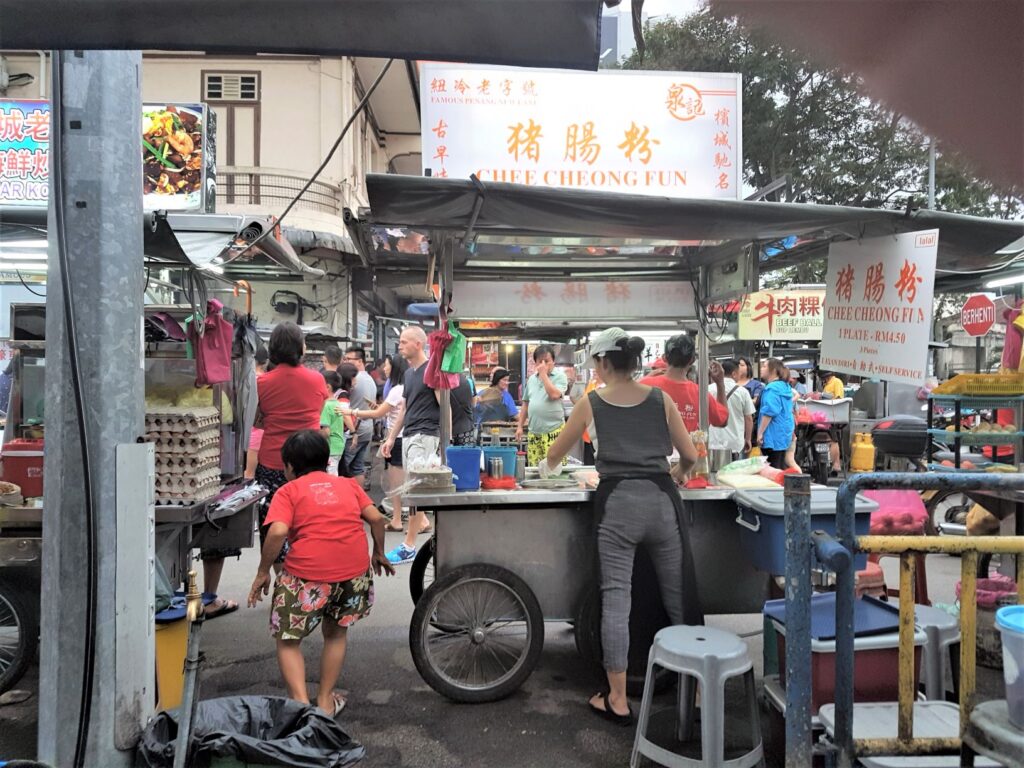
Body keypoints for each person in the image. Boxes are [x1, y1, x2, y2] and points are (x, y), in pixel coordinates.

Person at [541, 328, 700, 724]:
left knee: (616, 601)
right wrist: (677, 474)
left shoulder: (591, 401)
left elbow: (554, 457)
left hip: (618, 507)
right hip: (662, 501)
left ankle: (617, 698)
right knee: (678, 595)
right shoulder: (661, 399)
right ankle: (695, 694)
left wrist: (546, 470)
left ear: (603, 363)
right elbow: (691, 455)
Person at [247, 430, 394, 715]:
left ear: (288, 467)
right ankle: (325, 700)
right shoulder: (348, 485)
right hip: (354, 573)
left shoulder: (287, 491)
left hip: (306, 576)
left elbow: (277, 531)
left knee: (288, 640)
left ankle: (302, 707)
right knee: (336, 635)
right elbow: (376, 518)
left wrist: (263, 571)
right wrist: (378, 552)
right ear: (326, 460)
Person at [255, 322, 330, 562]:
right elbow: (317, 414)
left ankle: (282, 582)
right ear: (301, 347)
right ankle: (306, 577)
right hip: (311, 461)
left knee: (274, 522)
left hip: (273, 461)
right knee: (309, 522)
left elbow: (258, 421)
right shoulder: (317, 380)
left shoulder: (262, 383)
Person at [381, 326, 442, 564]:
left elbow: (442, 404)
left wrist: (445, 441)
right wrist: (390, 438)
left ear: (418, 344)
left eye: (404, 342)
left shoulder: (431, 370)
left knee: (416, 491)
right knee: (413, 490)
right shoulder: (408, 375)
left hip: (426, 434)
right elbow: (404, 410)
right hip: (409, 435)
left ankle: (409, 545)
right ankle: (415, 538)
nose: (400, 346)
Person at [353, 355, 409, 530]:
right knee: (400, 482)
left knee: (397, 482)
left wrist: (353, 411)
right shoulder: (402, 388)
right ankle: (402, 519)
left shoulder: (397, 389)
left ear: (395, 367)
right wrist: (378, 408)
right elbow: (386, 412)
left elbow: (378, 415)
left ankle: (398, 520)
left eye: (386, 365)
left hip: (397, 439)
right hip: (399, 438)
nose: (384, 368)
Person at [639, 334, 729, 434]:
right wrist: (720, 384)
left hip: (650, 449)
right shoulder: (700, 393)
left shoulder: (644, 385)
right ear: (692, 360)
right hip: (687, 449)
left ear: (664, 358)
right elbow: (722, 421)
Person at [516, 345, 569, 466]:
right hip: (534, 433)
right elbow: (526, 403)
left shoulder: (560, 377)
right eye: (540, 361)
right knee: (535, 470)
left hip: (554, 431)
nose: (544, 364)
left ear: (553, 361)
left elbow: (554, 395)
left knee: (555, 470)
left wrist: (544, 375)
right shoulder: (532, 380)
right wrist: (519, 426)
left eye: (547, 361)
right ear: (535, 363)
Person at [707, 359, 755, 467]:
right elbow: (748, 418)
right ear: (734, 374)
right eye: (739, 373)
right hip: (734, 444)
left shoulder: (708, 390)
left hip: (712, 441)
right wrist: (748, 439)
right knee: (733, 476)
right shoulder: (743, 392)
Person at [342, 347, 378, 490]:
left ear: (359, 361)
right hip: (367, 428)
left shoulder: (354, 379)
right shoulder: (369, 379)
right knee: (358, 468)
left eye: (349, 359)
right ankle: (359, 501)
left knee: (344, 468)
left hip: (354, 429)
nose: (346, 362)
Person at [757, 358, 795, 470]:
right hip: (783, 434)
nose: (761, 369)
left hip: (772, 435)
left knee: (771, 470)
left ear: (773, 370)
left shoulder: (772, 389)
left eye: (764, 366)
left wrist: (760, 433)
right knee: (779, 467)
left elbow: (770, 412)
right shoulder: (784, 387)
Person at [320, 366, 357, 476]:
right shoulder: (336, 403)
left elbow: (326, 431)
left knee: (331, 477)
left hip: (330, 448)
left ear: (327, 387)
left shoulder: (326, 406)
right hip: (338, 446)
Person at [818, 370, 846, 475]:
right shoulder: (827, 385)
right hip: (827, 416)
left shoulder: (836, 382)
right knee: (828, 439)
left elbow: (838, 398)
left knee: (833, 440)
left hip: (834, 415)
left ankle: (836, 464)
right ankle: (828, 462)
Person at [450, 373, 476, 445]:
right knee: (466, 454)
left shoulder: (441, 380)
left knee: (446, 455)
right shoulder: (468, 381)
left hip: (446, 429)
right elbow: (474, 403)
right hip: (466, 428)